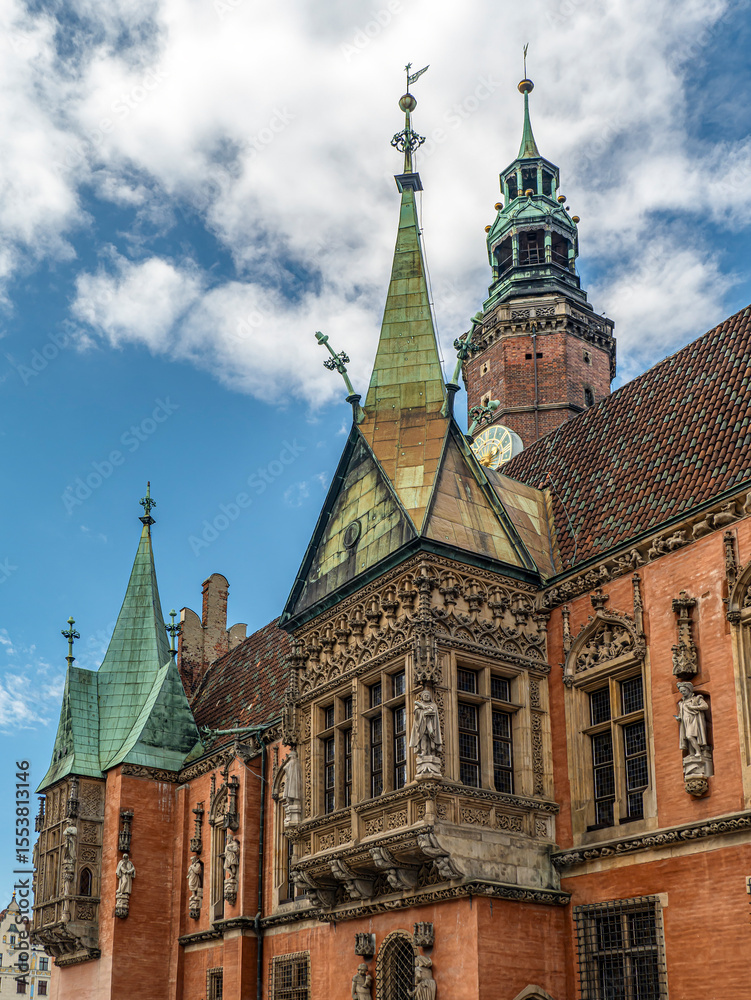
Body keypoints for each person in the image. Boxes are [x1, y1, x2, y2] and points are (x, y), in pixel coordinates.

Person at [676, 681, 710, 757]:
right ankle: (691, 753)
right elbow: (681, 713)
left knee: (690, 736)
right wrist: (679, 718)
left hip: (694, 720)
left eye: (684, 690)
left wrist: (693, 707)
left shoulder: (696, 699)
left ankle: (698, 751)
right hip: (685, 721)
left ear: (689, 690)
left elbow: (705, 706)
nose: (683, 692)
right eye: (681, 691)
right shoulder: (682, 703)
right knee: (687, 738)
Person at [409, 688, 442, 758]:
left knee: (431, 738)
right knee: (423, 738)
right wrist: (421, 711)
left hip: (431, 724)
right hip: (422, 724)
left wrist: (430, 711)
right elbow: (416, 715)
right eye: (425, 695)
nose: (426, 696)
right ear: (422, 697)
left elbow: (435, 716)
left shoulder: (433, 705)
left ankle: (432, 752)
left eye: (428, 695)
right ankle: (424, 752)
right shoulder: (419, 705)